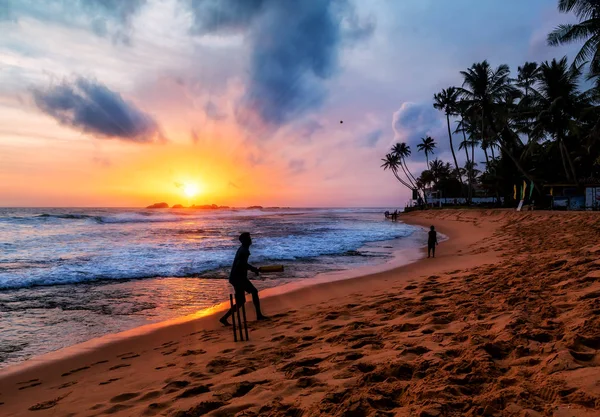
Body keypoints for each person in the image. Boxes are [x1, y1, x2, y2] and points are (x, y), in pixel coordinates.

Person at [219, 232, 267, 326]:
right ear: (243, 241)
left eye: (250, 238)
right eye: (248, 239)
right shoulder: (244, 250)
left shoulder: (243, 249)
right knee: (254, 291)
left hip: (236, 277)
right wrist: (253, 269)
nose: (250, 240)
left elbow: (241, 264)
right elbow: (240, 264)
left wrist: (252, 269)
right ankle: (259, 315)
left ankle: (224, 318)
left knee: (241, 301)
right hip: (238, 278)